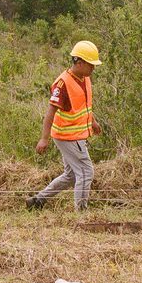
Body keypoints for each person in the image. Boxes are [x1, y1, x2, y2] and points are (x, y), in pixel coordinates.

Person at [28, 41, 103, 211]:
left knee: (71, 175)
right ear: (80, 62)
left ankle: (38, 200)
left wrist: (93, 121)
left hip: (76, 135)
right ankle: (81, 213)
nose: (93, 69)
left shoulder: (85, 78)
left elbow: (84, 105)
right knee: (85, 172)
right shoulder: (62, 84)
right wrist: (43, 138)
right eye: (91, 65)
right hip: (68, 136)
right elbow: (50, 112)